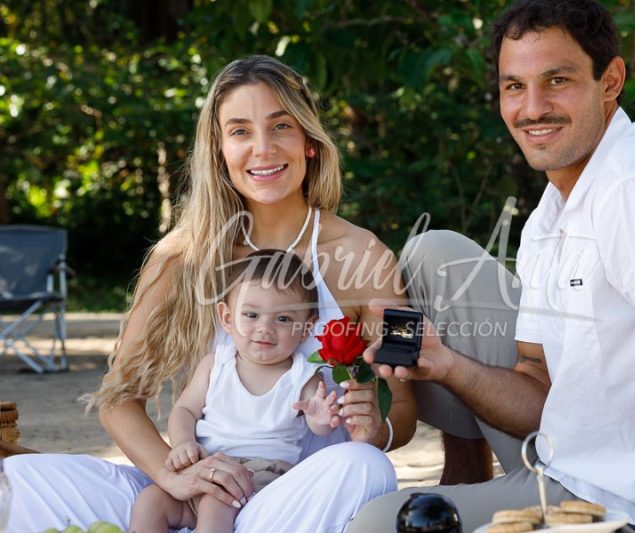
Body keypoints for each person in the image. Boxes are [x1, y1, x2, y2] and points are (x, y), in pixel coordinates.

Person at [351, 0, 635, 531]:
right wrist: (445, 363)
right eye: (514, 86)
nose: (533, 107)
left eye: (557, 80)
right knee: (435, 252)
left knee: (374, 527)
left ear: (610, 81)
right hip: (570, 471)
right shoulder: (553, 211)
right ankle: (469, 478)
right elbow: (540, 391)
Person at [5, 54, 415, 533]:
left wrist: (377, 428)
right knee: (16, 478)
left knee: (366, 468)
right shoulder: (179, 255)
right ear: (218, 149)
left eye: (281, 126)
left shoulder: (368, 254)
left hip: (289, 498)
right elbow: (118, 398)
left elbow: (404, 408)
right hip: (186, 495)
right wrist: (173, 476)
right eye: (240, 131)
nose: (262, 148)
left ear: (309, 142)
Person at [131, 249, 342, 533]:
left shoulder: (303, 377)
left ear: (306, 327)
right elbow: (184, 410)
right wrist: (183, 443)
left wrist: (321, 418)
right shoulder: (215, 364)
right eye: (251, 314)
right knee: (150, 501)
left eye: (283, 319)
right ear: (227, 318)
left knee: (218, 501)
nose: (264, 328)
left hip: (263, 475)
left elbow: (320, 426)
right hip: (206, 466)